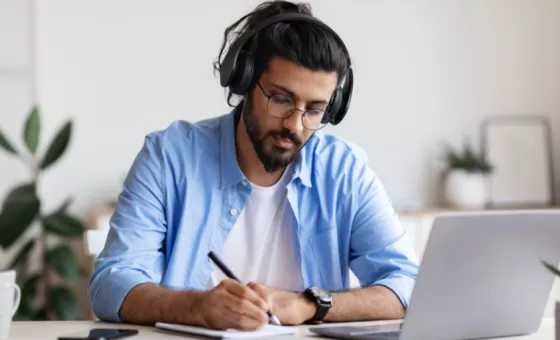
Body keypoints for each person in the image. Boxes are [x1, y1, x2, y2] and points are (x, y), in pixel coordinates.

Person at [88, 0, 419, 331]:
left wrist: (309, 303)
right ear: (243, 82)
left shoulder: (345, 171)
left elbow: (407, 283)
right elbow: (111, 284)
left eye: (315, 110)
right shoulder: (169, 157)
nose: (295, 124)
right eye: (281, 99)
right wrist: (197, 307)